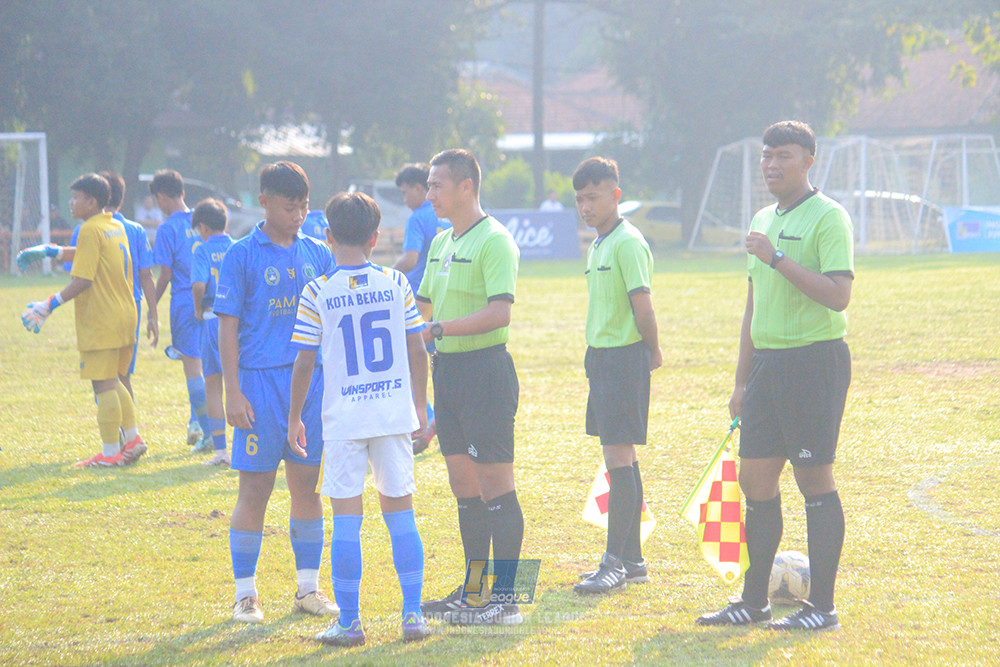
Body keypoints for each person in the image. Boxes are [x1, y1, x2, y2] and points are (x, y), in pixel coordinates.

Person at [696, 120, 853, 632]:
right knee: (755, 480)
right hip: (767, 367)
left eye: (783, 155)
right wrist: (741, 382)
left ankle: (822, 608)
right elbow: (753, 306)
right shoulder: (763, 218)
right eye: (767, 155)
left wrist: (777, 257)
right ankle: (754, 602)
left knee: (813, 479)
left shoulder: (829, 217)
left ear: (809, 160)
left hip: (814, 363)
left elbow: (838, 295)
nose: (771, 164)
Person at [288, 191, 431, 646]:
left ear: (328, 236)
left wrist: (294, 417)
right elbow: (417, 349)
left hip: (344, 420)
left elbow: (304, 362)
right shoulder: (396, 282)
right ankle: (413, 616)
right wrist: (420, 405)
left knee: (347, 521)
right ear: (375, 237)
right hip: (392, 415)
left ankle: (350, 622)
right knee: (401, 515)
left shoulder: (317, 290)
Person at [214, 161, 337, 624]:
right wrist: (233, 391)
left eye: (304, 206)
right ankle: (245, 595)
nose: (299, 215)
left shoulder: (317, 252)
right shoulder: (241, 255)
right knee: (255, 488)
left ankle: (308, 589)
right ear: (264, 201)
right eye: (290, 207)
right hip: (259, 386)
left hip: (310, 386)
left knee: (307, 485)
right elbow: (228, 328)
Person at [415, 149, 524, 626]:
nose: (429, 194)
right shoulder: (441, 241)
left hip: (486, 373)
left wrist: (438, 329)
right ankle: (475, 590)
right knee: (464, 486)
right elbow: (420, 307)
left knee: (497, 486)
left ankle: (510, 599)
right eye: (428, 185)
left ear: (466, 187)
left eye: (437, 185)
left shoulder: (495, 240)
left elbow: (500, 313)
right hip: (448, 374)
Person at [17, 173, 158, 464]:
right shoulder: (113, 225)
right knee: (114, 380)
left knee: (102, 384)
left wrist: (48, 305)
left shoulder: (89, 229)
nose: (71, 203)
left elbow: (83, 279)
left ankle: (110, 453)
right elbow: (90, 253)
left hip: (102, 319)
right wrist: (51, 251)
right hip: (125, 314)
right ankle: (133, 439)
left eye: (76, 198)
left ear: (91, 202)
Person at [570, 157, 661, 594]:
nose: (585, 207)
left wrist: (652, 350)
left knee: (618, 458)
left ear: (616, 195)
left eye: (593, 197)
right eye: (579, 200)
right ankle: (632, 560)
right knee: (625, 457)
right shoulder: (599, 245)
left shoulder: (628, 243)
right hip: (602, 359)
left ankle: (614, 564)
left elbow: (643, 306)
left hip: (624, 358)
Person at [392, 163, 451, 454]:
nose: (406, 199)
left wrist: (386, 276)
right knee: (445, 361)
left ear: (418, 188)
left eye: (406, 193)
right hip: (446, 298)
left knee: (407, 360)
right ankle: (444, 419)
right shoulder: (448, 215)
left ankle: (429, 419)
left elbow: (411, 259)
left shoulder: (418, 218)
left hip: (418, 300)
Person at [150, 169, 209, 450]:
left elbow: (165, 274)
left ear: (161, 197)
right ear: (183, 192)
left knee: (192, 368)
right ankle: (197, 422)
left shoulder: (167, 228)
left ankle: (205, 430)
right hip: (212, 299)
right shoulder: (205, 218)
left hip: (185, 301)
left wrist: (151, 305)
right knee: (207, 365)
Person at [190, 198, 234, 466]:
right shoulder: (238, 246)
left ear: (204, 227)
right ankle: (248, 446)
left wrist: (197, 309)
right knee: (242, 383)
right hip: (238, 322)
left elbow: (198, 285)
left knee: (214, 385)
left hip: (212, 320)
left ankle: (221, 451)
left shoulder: (202, 250)